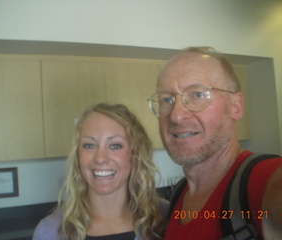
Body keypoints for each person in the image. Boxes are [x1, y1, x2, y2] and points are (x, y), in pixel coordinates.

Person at [147, 46, 282, 239]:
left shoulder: (263, 183)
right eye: (167, 99)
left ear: (235, 106)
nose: (176, 115)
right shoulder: (178, 197)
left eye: (197, 95)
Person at [33, 103, 169, 240]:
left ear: (135, 154)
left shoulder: (167, 215)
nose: (100, 158)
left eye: (115, 145)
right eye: (89, 145)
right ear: (78, 156)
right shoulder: (50, 232)